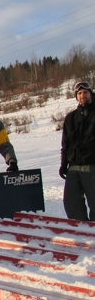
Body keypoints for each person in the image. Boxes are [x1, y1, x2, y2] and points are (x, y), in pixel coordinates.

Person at [60, 81, 95, 221]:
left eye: (85, 92)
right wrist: (64, 164)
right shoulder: (71, 118)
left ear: (91, 94)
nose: (82, 95)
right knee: (72, 203)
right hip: (73, 168)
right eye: (79, 93)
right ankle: (81, 232)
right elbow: (65, 144)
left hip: (91, 166)